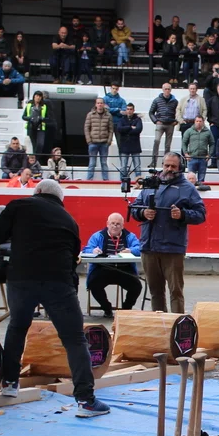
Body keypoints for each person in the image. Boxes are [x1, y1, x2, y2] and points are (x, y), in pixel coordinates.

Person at [0, 181, 110, 417]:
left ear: (37, 192)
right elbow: (73, 257)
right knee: (75, 339)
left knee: (17, 328)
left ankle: (9, 383)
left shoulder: (18, 206)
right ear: (60, 200)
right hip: (58, 282)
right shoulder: (69, 220)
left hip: (21, 279)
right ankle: (86, 401)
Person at [131, 153, 207, 313]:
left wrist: (183, 215)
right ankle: (160, 324)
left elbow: (201, 214)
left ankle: (178, 324)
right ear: (162, 165)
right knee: (155, 292)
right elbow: (135, 208)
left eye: (173, 166)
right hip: (149, 246)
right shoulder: (150, 184)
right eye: (167, 165)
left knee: (176, 292)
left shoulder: (188, 188)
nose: (169, 169)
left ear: (180, 168)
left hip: (173, 248)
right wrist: (143, 213)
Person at [83, 213, 143, 318]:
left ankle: (126, 309)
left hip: (124, 269)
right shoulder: (97, 236)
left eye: (118, 224)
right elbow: (86, 249)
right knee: (93, 284)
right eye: (112, 223)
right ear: (107, 224)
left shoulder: (130, 236)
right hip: (103, 269)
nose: (115, 226)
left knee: (137, 286)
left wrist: (131, 250)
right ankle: (107, 308)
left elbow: (140, 248)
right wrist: (93, 251)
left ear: (123, 226)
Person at [149, 83, 178, 168]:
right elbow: (151, 112)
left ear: (171, 90)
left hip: (170, 124)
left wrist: (176, 121)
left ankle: (166, 163)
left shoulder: (175, 101)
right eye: (166, 89)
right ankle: (153, 162)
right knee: (156, 141)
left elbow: (178, 112)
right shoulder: (157, 100)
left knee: (167, 145)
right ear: (162, 89)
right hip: (160, 123)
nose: (167, 91)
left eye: (168, 89)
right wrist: (155, 121)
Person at [85, 97, 114, 181]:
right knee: (92, 163)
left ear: (104, 104)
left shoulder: (108, 115)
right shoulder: (90, 115)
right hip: (93, 142)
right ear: (96, 104)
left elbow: (111, 129)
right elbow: (86, 128)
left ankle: (106, 180)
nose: (100, 105)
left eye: (101, 103)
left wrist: (109, 141)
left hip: (104, 143)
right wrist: (89, 141)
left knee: (104, 163)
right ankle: (89, 180)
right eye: (98, 103)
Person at [117, 102, 144, 179]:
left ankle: (139, 182)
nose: (129, 111)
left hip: (135, 145)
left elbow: (138, 129)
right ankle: (123, 183)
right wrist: (130, 127)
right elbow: (119, 129)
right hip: (124, 145)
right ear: (126, 110)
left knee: (137, 167)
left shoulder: (138, 119)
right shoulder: (122, 119)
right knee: (123, 167)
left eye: (131, 109)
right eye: (128, 109)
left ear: (133, 110)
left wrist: (125, 130)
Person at [22, 92, 49, 157]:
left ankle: (36, 157)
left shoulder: (44, 106)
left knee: (40, 144)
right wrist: (30, 118)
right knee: (34, 144)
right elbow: (23, 116)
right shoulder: (29, 105)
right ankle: (34, 158)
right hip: (31, 126)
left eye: (40, 96)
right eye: (37, 96)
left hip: (40, 127)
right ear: (34, 96)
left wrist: (42, 118)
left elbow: (48, 118)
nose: (38, 97)